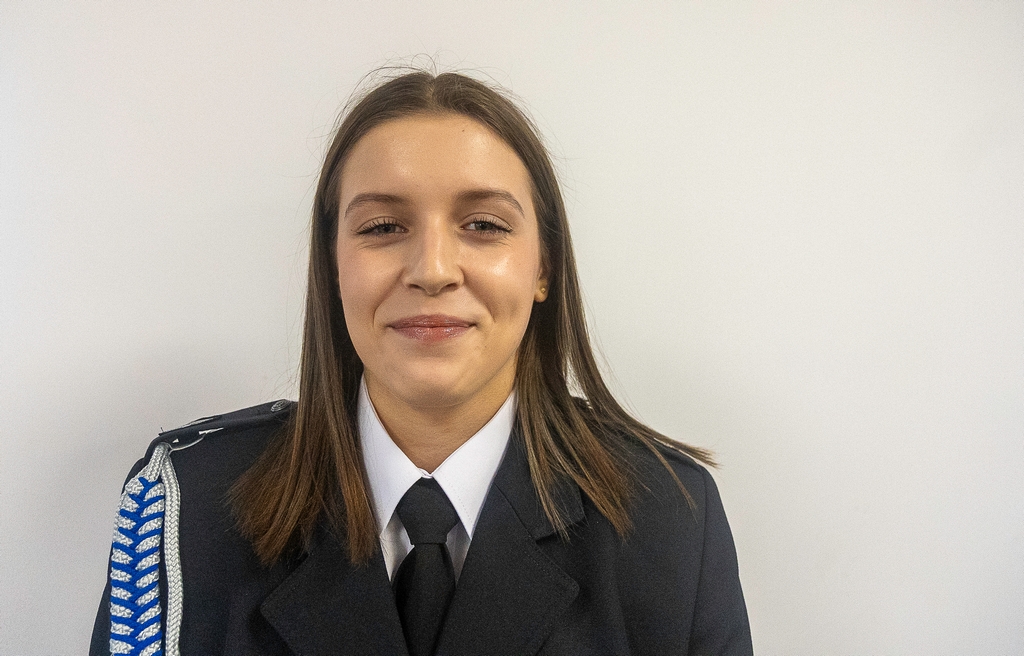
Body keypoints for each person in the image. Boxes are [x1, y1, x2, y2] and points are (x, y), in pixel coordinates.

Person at [90, 70, 753, 656]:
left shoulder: (670, 518)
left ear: (543, 267)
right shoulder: (184, 508)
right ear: (332, 266)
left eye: (484, 226)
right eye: (383, 227)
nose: (432, 270)